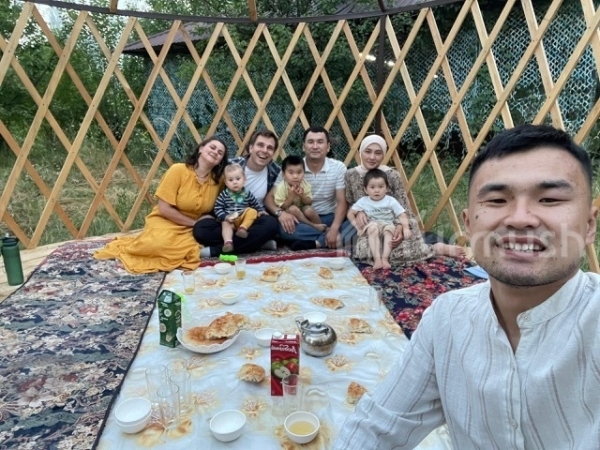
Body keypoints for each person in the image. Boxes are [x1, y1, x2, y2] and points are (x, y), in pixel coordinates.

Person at [333, 124, 600, 449]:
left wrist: (400, 226)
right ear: (469, 223)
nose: (520, 218)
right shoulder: (446, 319)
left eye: (549, 198)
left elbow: (402, 211)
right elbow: (377, 425)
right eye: (498, 199)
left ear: (589, 224)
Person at [94, 137, 227, 273]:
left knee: (188, 246)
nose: (216, 152)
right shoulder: (178, 170)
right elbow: (164, 208)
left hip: (192, 227)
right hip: (166, 219)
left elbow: (226, 201)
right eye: (212, 147)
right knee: (157, 244)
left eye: (220, 152)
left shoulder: (218, 182)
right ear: (201, 149)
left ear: (221, 160)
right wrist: (194, 223)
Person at [345, 134, 466, 265]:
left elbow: (403, 206)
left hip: (394, 221)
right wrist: (359, 212)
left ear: (384, 155)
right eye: (368, 152)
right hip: (370, 225)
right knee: (366, 254)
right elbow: (350, 201)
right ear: (360, 152)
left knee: (405, 247)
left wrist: (400, 227)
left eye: (378, 153)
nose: (372, 157)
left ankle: (435, 248)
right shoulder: (351, 175)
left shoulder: (392, 175)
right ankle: (425, 249)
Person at [193, 129, 280, 256]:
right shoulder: (230, 166)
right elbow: (207, 183)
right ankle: (258, 243)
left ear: (273, 153)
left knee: (271, 225)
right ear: (251, 148)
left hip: (252, 221)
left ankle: (216, 250)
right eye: (260, 145)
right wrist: (210, 214)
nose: (265, 150)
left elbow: (281, 195)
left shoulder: (275, 171)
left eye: (270, 148)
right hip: (226, 219)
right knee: (201, 229)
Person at [264, 126, 349, 251]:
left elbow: (342, 201)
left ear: (328, 146)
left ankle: (317, 243)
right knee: (284, 229)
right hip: (301, 219)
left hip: (330, 217)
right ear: (304, 146)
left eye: (320, 142)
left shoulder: (338, 168)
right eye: (310, 142)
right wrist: (280, 213)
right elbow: (269, 199)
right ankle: (331, 238)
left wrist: (335, 228)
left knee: (353, 224)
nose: (315, 146)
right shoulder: (293, 168)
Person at [348, 169, 411, 270]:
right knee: (373, 228)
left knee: (389, 230)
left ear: (386, 188)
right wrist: (357, 227)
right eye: (372, 187)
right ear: (365, 189)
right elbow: (351, 213)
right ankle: (377, 258)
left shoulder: (390, 200)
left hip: (387, 223)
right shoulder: (364, 201)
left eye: (381, 187)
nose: (377, 190)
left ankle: (384, 258)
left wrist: (406, 228)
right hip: (372, 224)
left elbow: (402, 214)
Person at [214, 163, 267, 253]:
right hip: (230, 220)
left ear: (244, 179)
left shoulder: (247, 194)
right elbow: (217, 208)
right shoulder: (224, 195)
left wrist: (261, 211)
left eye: (238, 179)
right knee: (224, 223)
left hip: (243, 219)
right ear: (226, 182)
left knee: (252, 211)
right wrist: (225, 217)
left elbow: (255, 204)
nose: (235, 182)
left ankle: (243, 229)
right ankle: (228, 242)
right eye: (230, 180)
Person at [274, 154, 327, 232]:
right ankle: (314, 226)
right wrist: (291, 196)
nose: (295, 176)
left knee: (309, 211)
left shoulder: (304, 184)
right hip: (289, 212)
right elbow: (282, 207)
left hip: (303, 209)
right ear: (283, 175)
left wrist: (301, 196)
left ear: (304, 173)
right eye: (291, 173)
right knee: (293, 209)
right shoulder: (281, 187)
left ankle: (322, 227)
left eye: (299, 172)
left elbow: (309, 202)